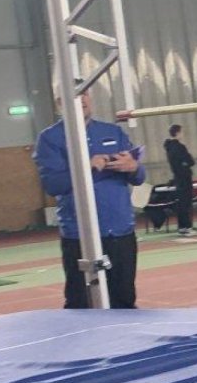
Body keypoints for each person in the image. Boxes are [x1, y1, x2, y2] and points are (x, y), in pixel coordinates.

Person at [32, 83, 145, 309]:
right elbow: (53, 185)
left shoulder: (112, 132)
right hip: (80, 235)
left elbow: (139, 177)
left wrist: (133, 167)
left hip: (119, 230)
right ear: (60, 103)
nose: (82, 99)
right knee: (80, 303)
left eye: (84, 93)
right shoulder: (50, 138)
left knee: (124, 299)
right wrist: (87, 167)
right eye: (74, 95)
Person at [164, 123, 197, 237]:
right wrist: (185, 164)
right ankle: (187, 227)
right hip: (184, 178)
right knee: (186, 204)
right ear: (177, 133)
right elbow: (191, 161)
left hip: (177, 178)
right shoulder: (180, 147)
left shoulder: (168, 147)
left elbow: (183, 162)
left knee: (181, 203)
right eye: (181, 132)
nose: (183, 134)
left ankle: (182, 227)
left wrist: (184, 163)